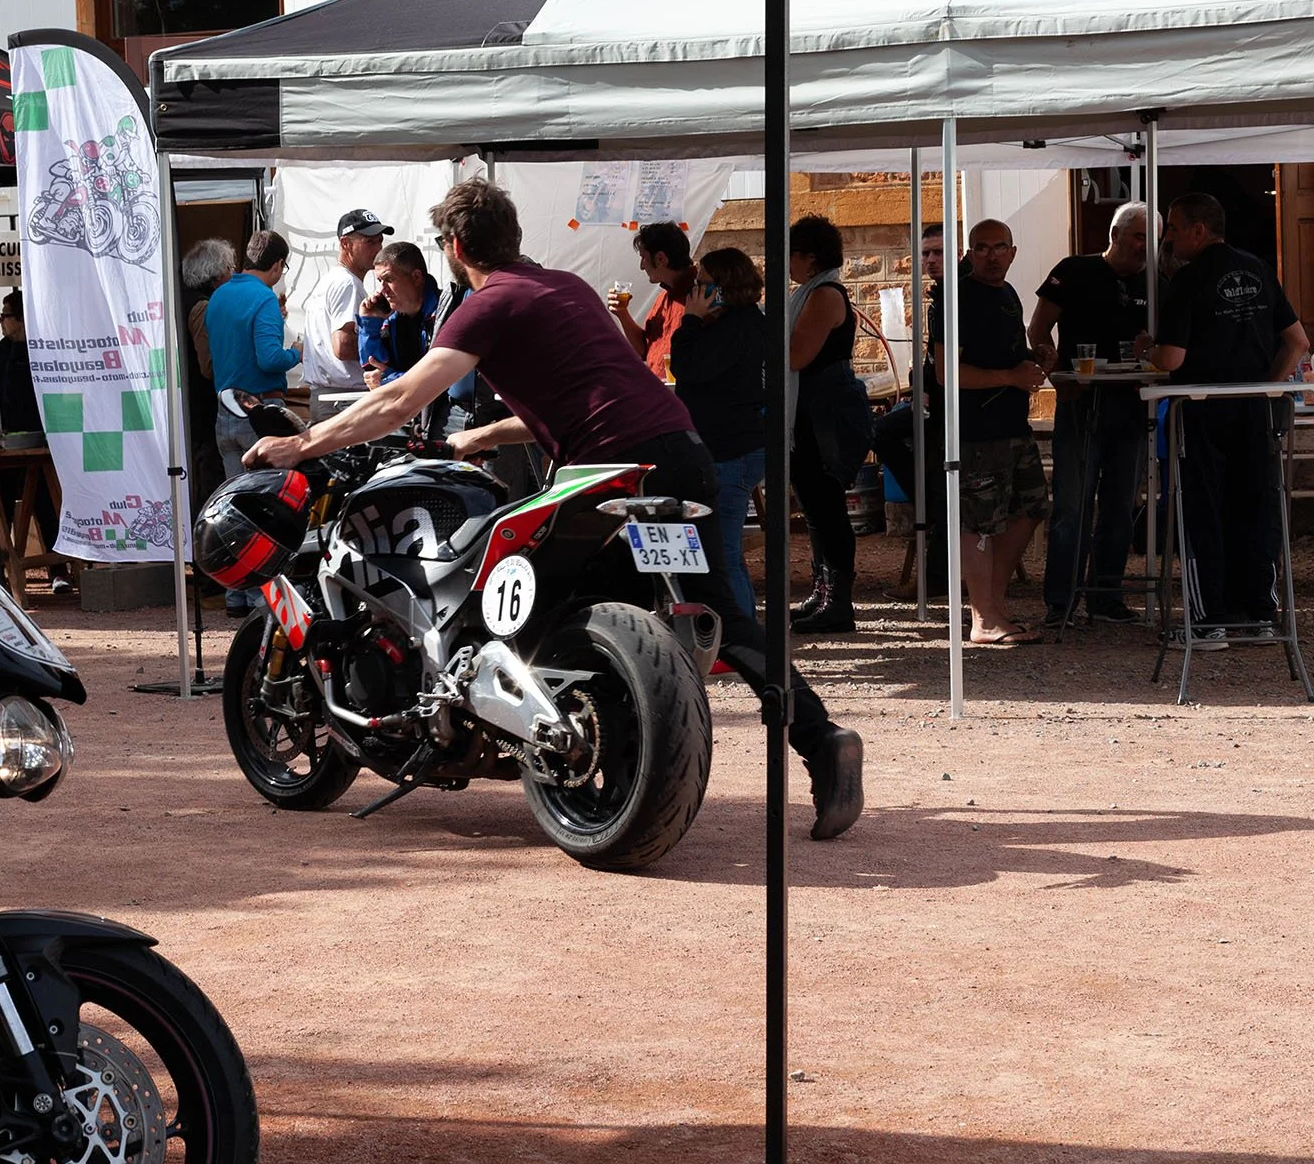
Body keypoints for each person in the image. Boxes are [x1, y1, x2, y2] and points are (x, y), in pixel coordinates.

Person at [244, 179, 864, 841]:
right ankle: (821, 741)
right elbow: (588, 395)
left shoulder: (487, 304)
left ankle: (516, 738)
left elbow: (399, 399)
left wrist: (300, 443)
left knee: (515, 606)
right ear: (513, 236)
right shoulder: (566, 288)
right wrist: (480, 437)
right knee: (721, 615)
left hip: (605, 471)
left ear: (455, 248)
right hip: (680, 453)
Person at [1147, 192, 1312, 641]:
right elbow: (1298, 341)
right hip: (1253, 407)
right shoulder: (1258, 268)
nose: (1168, 238)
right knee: (1254, 508)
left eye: (1174, 228)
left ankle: (1208, 623)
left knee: (1203, 511)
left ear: (1198, 231)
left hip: (1201, 409)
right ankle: (1259, 615)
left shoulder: (1188, 279)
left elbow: (1171, 358)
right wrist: (1266, 386)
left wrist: (1147, 348)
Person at [1030, 202, 1152, 628]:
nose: (1145, 247)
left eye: (1151, 239)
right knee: (1071, 505)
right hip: (1081, 404)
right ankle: (1060, 602)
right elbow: (1038, 328)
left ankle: (1107, 596)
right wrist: (1055, 376)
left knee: (1120, 505)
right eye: (1139, 237)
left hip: (1131, 406)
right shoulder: (1074, 270)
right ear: (1116, 234)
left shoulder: (1155, 281)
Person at [934, 218, 1050, 645]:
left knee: (1032, 506)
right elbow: (947, 373)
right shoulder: (955, 297)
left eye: (1000, 247)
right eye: (982, 248)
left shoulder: (1009, 293)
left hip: (1013, 424)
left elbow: (1007, 354)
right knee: (979, 522)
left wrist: (1035, 358)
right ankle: (983, 618)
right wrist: (1010, 376)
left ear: (1013, 252)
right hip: (976, 431)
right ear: (969, 253)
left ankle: (993, 603)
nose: (992, 256)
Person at [205, 230, 300, 614]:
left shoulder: (219, 295)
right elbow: (270, 358)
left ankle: (237, 595)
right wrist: (296, 352)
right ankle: (263, 600)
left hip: (224, 411)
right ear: (277, 265)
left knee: (234, 509)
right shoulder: (263, 298)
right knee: (266, 510)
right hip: (260, 414)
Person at [669, 246, 765, 619]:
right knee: (723, 548)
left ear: (722, 286)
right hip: (730, 446)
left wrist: (691, 320)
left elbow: (688, 367)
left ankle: (741, 629)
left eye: (703, 282)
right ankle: (742, 623)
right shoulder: (740, 323)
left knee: (722, 549)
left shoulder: (736, 327)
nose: (696, 289)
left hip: (731, 450)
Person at [785, 215, 870, 635]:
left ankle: (838, 601)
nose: (786, 263)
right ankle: (822, 592)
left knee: (826, 508)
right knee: (815, 508)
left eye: (791, 254)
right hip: (811, 412)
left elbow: (796, 356)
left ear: (810, 257)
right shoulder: (809, 293)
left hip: (824, 416)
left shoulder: (824, 296)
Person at [876, 222, 948, 602]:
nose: (931, 260)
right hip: (931, 400)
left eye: (938, 252)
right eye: (925, 253)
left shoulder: (957, 295)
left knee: (940, 477)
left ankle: (936, 571)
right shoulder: (937, 296)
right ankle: (927, 502)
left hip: (954, 408)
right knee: (881, 430)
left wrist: (931, 390)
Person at [0, 290, 74, 596]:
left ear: (22, 319)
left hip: (42, 443)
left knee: (46, 504)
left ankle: (58, 568)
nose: (0, 321)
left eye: (6, 316)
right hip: (7, 445)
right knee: (0, 505)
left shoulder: (43, 351)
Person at [301, 208, 390, 410]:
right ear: (345, 244)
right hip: (345, 399)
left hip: (332, 397)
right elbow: (343, 345)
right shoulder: (347, 284)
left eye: (380, 241)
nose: (378, 249)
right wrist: (386, 343)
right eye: (370, 242)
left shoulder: (331, 281)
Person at [181, 238, 238, 513]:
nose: (233, 275)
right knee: (208, 482)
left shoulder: (181, 298)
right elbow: (209, 366)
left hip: (186, 407)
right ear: (216, 276)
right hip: (202, 410)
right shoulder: (202, 306)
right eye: (230, 269)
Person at [611, 221, 696, 381]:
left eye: (644, 258)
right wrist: (622, 313)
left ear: (660, 259)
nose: (642, 266)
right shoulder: (663, 297)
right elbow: (644, 349)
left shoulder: (699, 297)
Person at [357, 241, 440, 388]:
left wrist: (390, 379)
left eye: (389, 279)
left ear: (416, 277)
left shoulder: (445, 314)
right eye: (380, 281)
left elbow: (439, 377)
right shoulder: (390, 320)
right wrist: (370, 323)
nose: (383, 290)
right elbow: (373, 367)